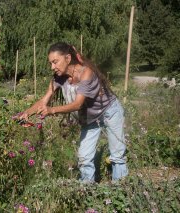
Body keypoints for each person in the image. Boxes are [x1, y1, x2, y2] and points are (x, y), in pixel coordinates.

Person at [20, 42, 128, 183]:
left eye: (55, 62)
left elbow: (77, 104)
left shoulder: (86, 73)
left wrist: (52, 110)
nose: (52, 67)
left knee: (117, 155)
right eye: (51, 63)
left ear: (68, 58)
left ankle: (120, 191)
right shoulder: (58, 78)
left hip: (110, 112)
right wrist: (27, 112)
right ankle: (86, 193)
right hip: (90, 119)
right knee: (84, 157)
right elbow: (43, 101)